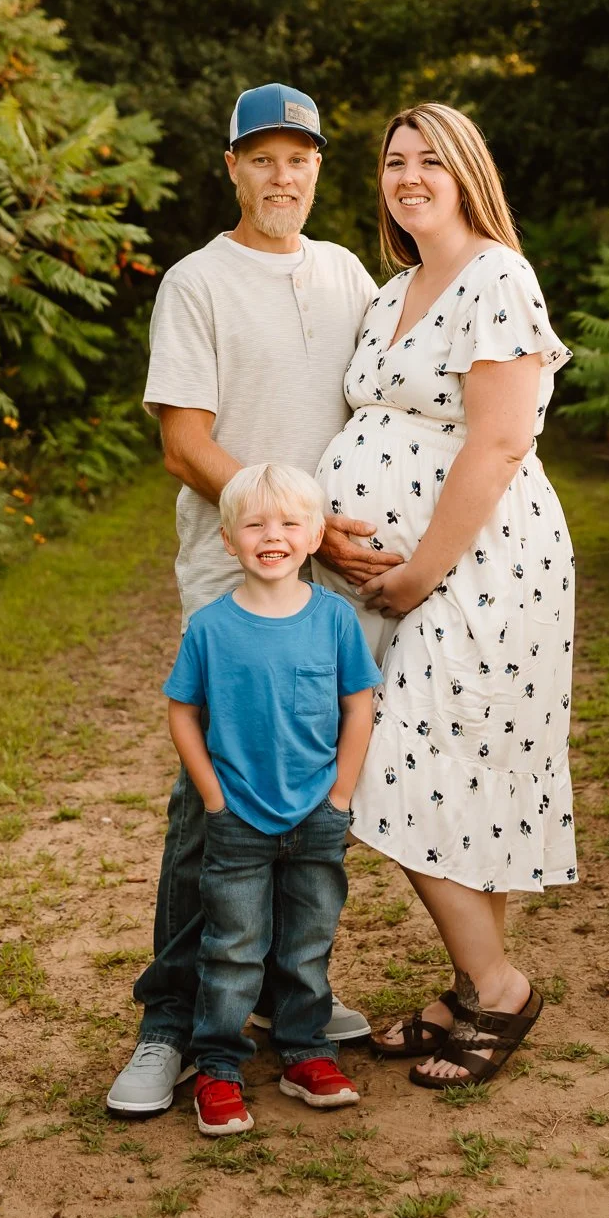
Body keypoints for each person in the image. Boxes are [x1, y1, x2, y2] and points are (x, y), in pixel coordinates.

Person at [108, 83, 398, 1119]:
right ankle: (169, 1023)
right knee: (213, 807)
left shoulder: (350, 272)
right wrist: (290, 522)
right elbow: (184, 440)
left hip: (330, 580)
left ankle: (287, 999)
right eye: (263, 158)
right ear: (231, 167)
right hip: (236, 571)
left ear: (320, 167)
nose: (284, 176)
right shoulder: (196, 282)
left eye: (301, 158)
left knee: (309, 789)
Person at [314, 102, 577, 1089]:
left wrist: (418, 568)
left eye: (431, 159)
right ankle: (471, 988)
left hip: (484, 565)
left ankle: (501, 988)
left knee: (395, 758)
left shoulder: (496, 277)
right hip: (403, 576)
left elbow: (500, 440)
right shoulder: (392, 293)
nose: (410, 174)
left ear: (469, 171)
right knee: (462, 767)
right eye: (394, 161)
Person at [164, 462, 380, 1135]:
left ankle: (304, 1049)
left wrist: (340, 793)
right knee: (232, 948)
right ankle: (218, 1067)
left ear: (316, 535)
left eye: (289, 523)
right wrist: (214, 800)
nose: (272, 536)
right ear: (228, 540)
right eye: (254, 524)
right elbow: (181, 713)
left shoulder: (334, 620)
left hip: (317, 813)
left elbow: (358, 704)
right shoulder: (210, 627)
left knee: (307, 942)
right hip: (236, 818)